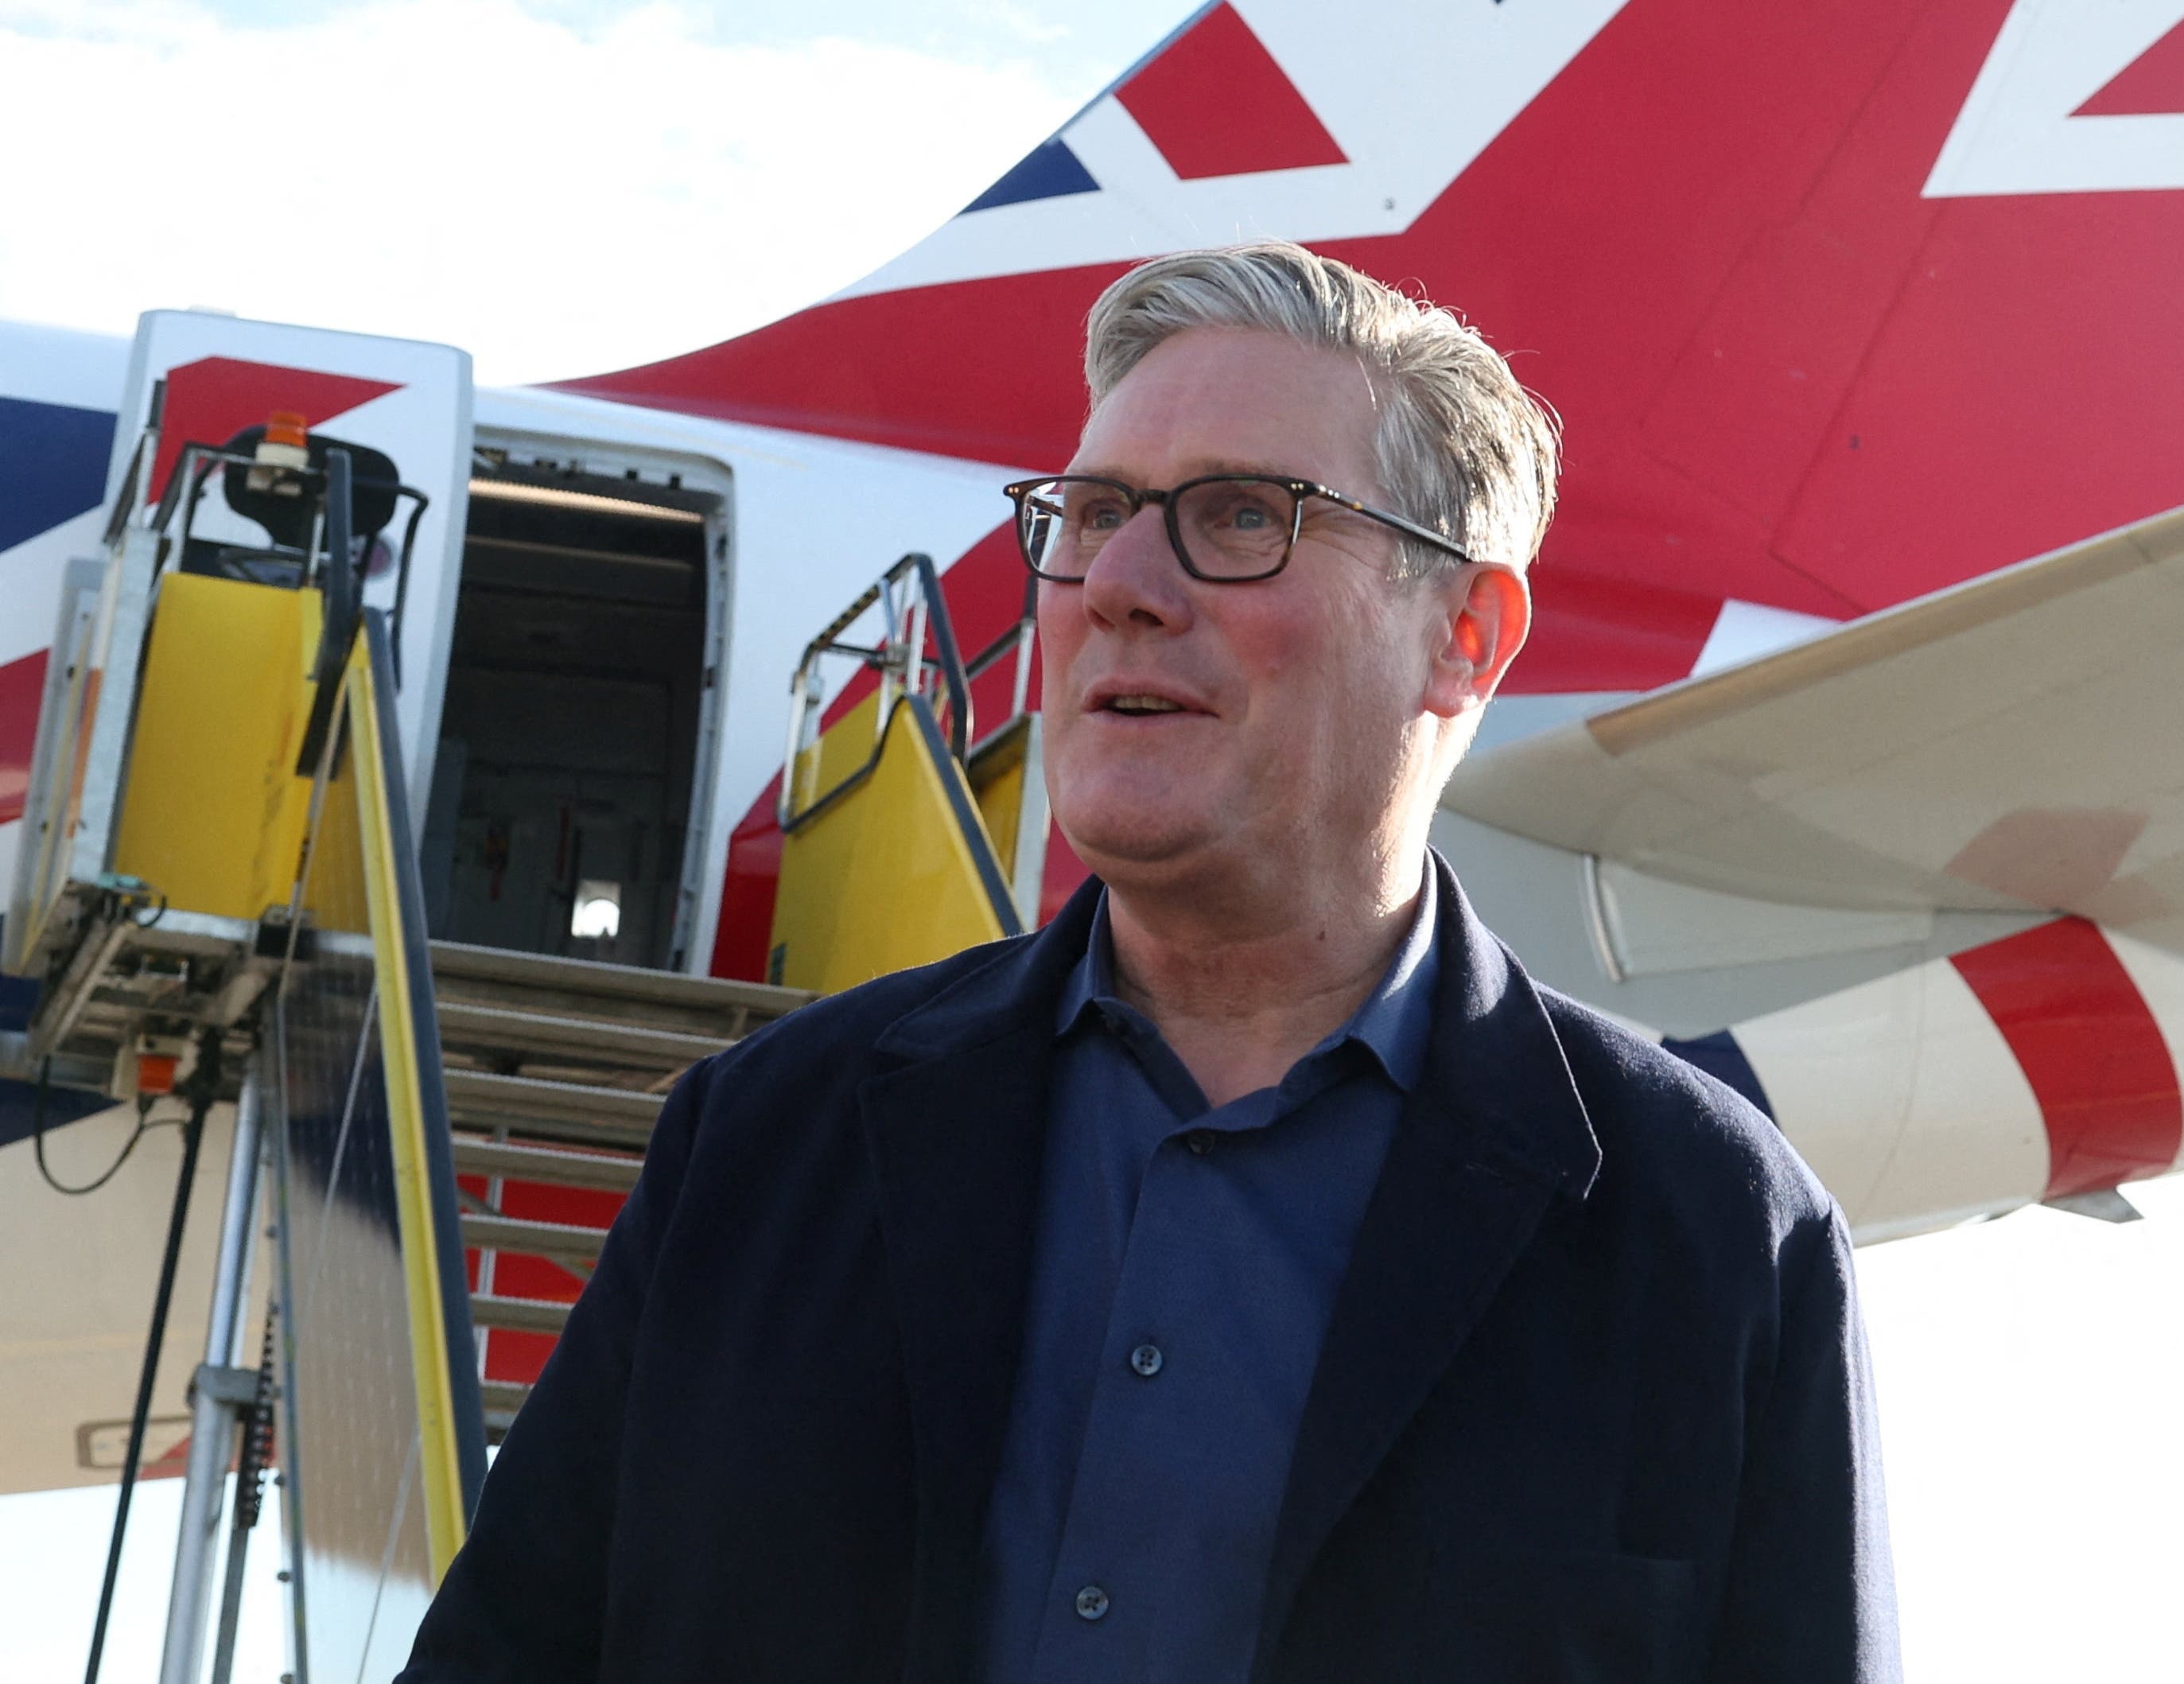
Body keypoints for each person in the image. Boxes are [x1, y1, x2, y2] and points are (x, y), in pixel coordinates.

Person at [401, 242, 1898, 1682]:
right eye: (1090, 510)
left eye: (1240, 516)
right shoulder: (758, 1143)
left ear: (1464, 634)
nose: (1115, 580)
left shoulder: (1719, 1240)